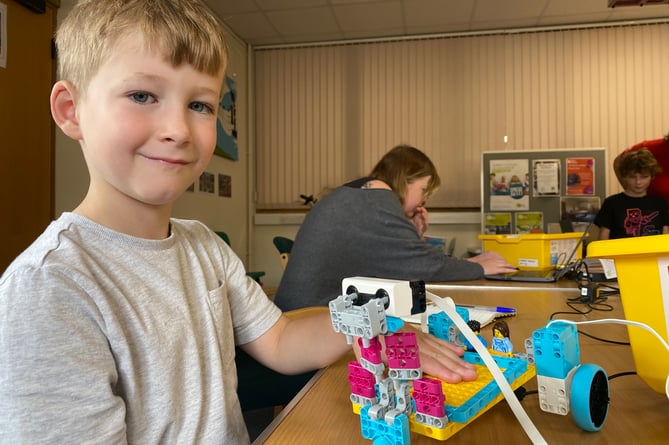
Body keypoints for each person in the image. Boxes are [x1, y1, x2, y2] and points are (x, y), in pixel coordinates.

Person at [0, 1, 352, 443]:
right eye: (142, 96)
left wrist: (377, 318)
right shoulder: (49, 286)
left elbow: (280, 341)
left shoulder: (204, 246)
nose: (179, 129)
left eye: (201, 105)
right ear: (71, 110)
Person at [275, 144, 516, 313]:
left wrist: (412, 236)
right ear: (405, 181)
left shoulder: (363, 193)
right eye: (424, 191)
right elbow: (423, 267)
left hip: (299, 316)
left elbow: (400, 264)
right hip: (306, 323)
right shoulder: (378, 201)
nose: (424, 202)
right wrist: (478, 266)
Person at [595, 147, 669, 240]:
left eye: (644, 177)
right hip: (620, 253)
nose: (638, 182)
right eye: (632, 177)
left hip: (653, 254)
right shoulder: (611, 203)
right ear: (624, 176)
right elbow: (603, 238)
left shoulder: (660, 203)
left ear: (652, 177)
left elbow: (665, 237)